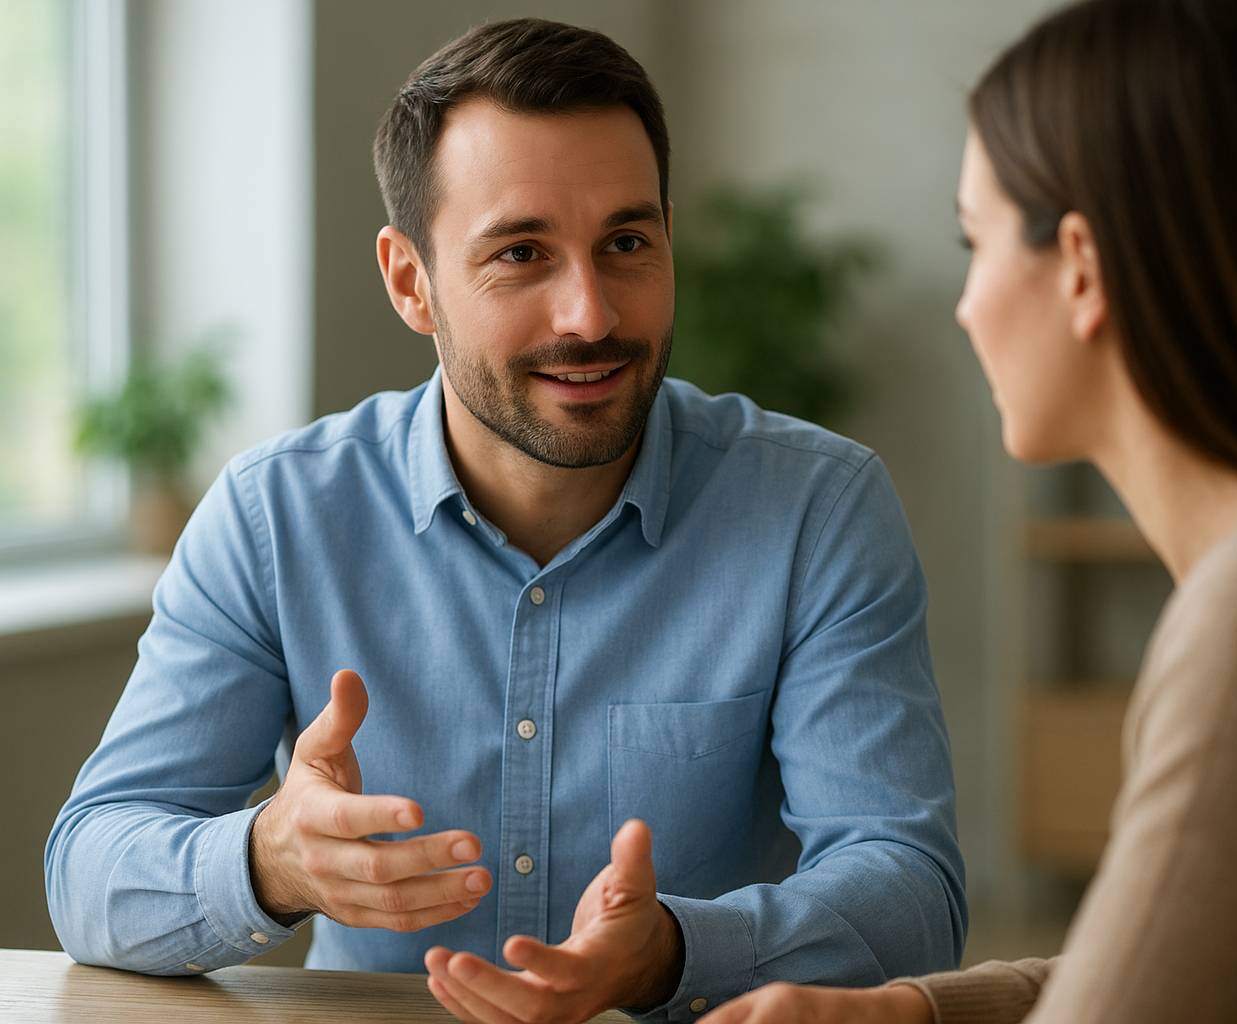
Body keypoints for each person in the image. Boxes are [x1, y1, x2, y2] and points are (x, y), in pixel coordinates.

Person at [44, 19, 967, 1024]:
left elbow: (911, 893)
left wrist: (672, 951)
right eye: (522, 253)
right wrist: (271, 860)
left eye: (626, 243)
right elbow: (90, 868)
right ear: (411, 282)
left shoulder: (816, 510)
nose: (589, 314)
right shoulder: (277, 516)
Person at [703, 0, 1237, 1021]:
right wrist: (905, 1010)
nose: (966, 304)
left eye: (976, 242)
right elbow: (1193, 955)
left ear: (1085, 269)